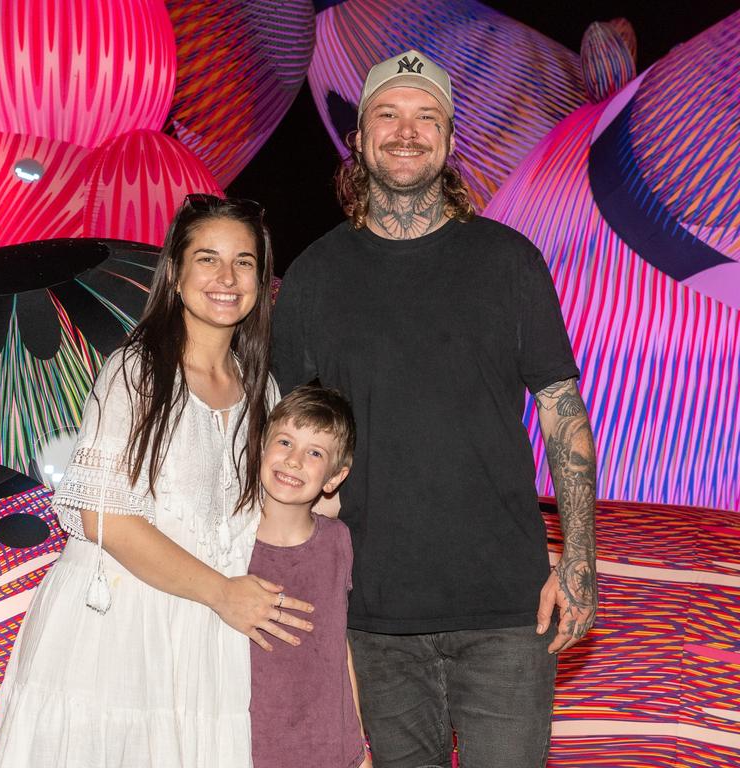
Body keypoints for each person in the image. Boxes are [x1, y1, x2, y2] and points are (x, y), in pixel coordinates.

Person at [271, 50, 598, 768]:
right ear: (358, 139)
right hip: (373, 617)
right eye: (387, 114)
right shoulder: (314, 276)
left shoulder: (508, 262)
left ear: (449, 143)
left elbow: (562, 410)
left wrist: (578, 560)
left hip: (509, 613)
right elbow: (288, 446)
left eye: (427, 117)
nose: (406, 131)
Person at [0, 195, 311, 768]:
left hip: (211, 638)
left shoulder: (262, 389)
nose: (227, 277)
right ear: (177, 273)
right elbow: (105, 519)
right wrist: (221, 593)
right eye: (207, 258)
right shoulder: (136, 372)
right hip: (123, 631)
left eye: (245, 262)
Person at [249, 385, 370, 768]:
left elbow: (338, 647)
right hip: (245, 745)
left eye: (314, 452)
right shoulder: (227, 541)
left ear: (335, 477)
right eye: (285, 442)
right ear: (261, 449)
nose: (295, 460)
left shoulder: (338, 540)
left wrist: (359, 747)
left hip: (326, 748)